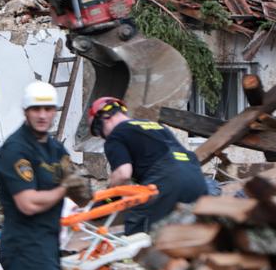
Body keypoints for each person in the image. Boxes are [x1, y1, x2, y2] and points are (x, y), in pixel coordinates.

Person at [0, 81, 91, 270]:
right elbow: (28, 203)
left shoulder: (55, 149)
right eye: (36, 109)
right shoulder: (15, 150)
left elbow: (81, 194)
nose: (42, 115)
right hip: (24, 250)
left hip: (47, 248)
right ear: (26, 111)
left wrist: (81, 186)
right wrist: (64, 188)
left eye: (48, 109)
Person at [88, 96, 208, 233]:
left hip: (166, 180)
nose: (102, 136)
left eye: (98, 131)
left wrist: (106, 199)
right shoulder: (155, 126)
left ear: (104, 117)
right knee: (191, 233)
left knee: (138, 231)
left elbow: (123, 174)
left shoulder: (116, 135)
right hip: (195, 177)